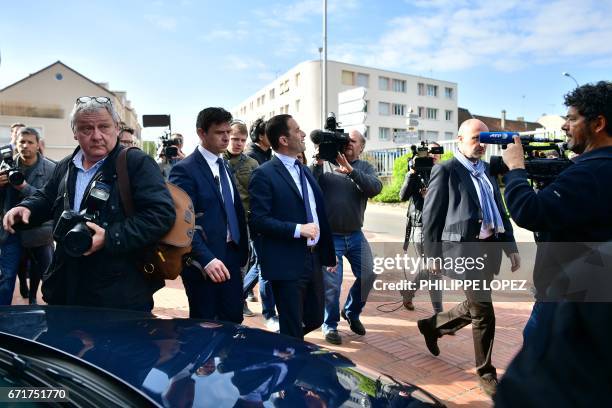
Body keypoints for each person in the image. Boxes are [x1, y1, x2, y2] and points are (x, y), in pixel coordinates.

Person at [495, 82, 612, 405]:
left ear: (598, 123)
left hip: (566, 300)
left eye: (572, 118)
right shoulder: (590, 170)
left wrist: (516, 171)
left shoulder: (590, 173)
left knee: (535, 385)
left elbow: (530, 212)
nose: (563, 125)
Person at [3, 96, 175, 311]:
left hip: (118, 293)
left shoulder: (135, 163)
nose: (96, 136)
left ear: (117, 128)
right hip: (67, 286)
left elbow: (161, 215)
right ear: (74, 132)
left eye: (104, 126)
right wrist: (27, 207)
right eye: (86, 129)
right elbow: (47, 197)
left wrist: (109, 237)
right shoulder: (66, 164)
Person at [418, 118, 520, 397]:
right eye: (475, 138)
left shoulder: (485, 169)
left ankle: (432, 325)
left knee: (476, 306)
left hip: (490, 248)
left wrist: (510, 246)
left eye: (484, 139)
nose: (481, 144)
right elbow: (431, 216)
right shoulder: (446, 170)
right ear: (460, 140)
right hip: (463, 249)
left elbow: (499, 207)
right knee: (484, 311)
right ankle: (485, 372)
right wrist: (432, 255)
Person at [249, 114, 336, 339]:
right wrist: (298, 229)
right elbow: (259, 220)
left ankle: (285, 346)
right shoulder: (263, 174)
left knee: (316, 318)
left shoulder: (304, 169)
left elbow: (318, 213)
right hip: (286, 262)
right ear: (284, 140)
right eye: (297, 130)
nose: (303, 134)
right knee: (292, 325)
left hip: (313, 258)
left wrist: (328, 254)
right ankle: (290, 362)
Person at [169, 107, 248, 324]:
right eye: (219, 132)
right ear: (202, 133)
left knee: (233, 319)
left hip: (231, 255)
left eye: (227, 132)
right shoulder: (185, 170)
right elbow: (181, 224)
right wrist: (206, 259)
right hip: (203, 262)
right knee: (205, 324)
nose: (226, 138)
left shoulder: (223, 165)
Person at [311, 129, 382, 345]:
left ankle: (351, 312)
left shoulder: (365, 167)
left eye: (353, 141)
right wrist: (317, 163)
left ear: (361, 147)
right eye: (345, 140)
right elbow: (309, 186)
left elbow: (375, 188)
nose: (348, 143)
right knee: (332, 285)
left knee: (369, 275)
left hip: (355, 235)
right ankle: (330, 326)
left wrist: (351, 171)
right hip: (331, 238)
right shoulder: (327, 163)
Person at [399, 142, 443, 313]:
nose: (432, 154)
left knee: (430, 268)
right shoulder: (415, 172)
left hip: (441, 228)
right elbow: (403, 195)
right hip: (421, 227)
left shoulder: (443, 173)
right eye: (428, 151)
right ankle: (440, 315)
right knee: (434, 271)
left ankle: (408, 292)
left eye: (435, 151)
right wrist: (412, 173)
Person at [244, 117, 279, 331]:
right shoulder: (251, 156)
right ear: (260, 135)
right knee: (263, 267)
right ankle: (269, 313)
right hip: (259, 221)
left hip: (270, 219)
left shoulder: (268, 154)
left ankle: (239, 293)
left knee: (261, 265)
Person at [223, 120, 259, 317]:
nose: (238, 143)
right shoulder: (219, 160)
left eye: (242, 140)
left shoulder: (252, 164)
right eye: (235, 138)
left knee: (242, 264)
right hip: (222, 223)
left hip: (243, 222)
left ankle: (241, 299)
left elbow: (257, 195)